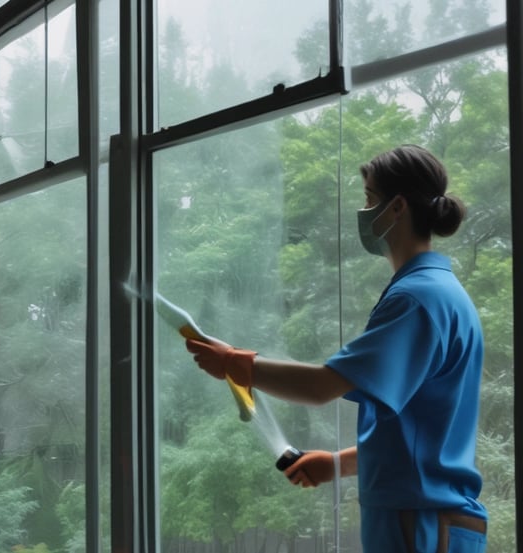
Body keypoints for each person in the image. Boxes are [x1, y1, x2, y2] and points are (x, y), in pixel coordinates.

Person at [185, 145, 487, 553]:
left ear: (397, 207)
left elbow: (322, 386)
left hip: (419, 522)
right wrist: (335, 464)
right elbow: (414, 433)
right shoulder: (439, 292)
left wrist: (233, 363)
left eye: (369, 198)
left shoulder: (417, 300)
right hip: (425, 518)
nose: (363, 211)